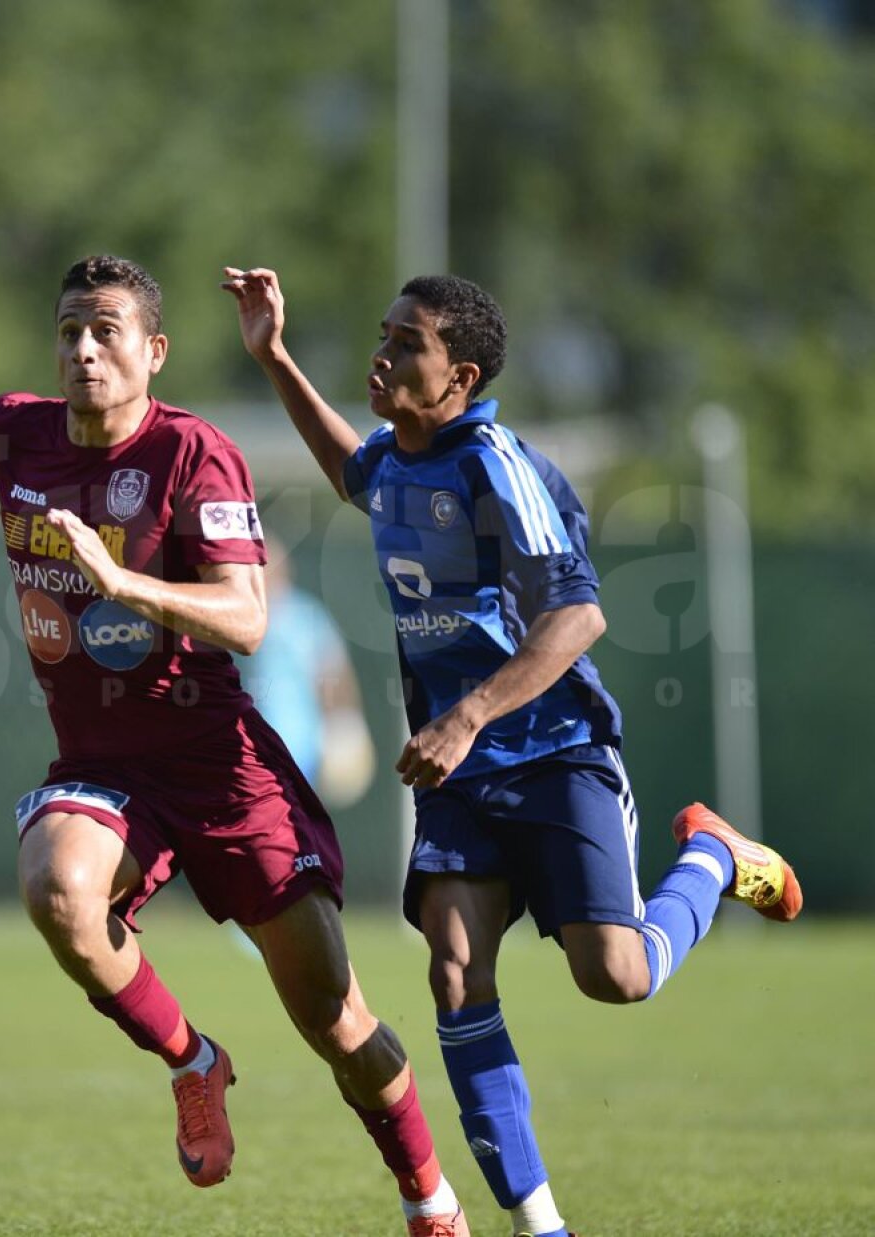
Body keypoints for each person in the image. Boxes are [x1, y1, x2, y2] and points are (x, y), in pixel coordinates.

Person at [0, 255, 471, 1236]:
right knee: (58, 888)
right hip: (106, 770)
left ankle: (428, 1193)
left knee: (338, 1022)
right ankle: (195, 1061)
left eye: (106, 329)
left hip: (221, 770)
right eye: (70, 329)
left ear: (153, 351)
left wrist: (121, 580)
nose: (83, 348)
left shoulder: (194, 454)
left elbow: (246, 618)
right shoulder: (18, 429)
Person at [223, 265, 803, 1237]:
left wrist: (466, 716)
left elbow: (579, 615)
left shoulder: (492, 461)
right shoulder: (397, 458)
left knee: (614, 976)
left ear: (463, 376)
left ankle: (712, 856)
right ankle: (543, 1226)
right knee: (452, 972)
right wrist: (273, 355)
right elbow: (348, 468)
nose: (386, 353)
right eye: (386, 333)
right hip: (458, 772)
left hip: (553, 747)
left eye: (410, 344)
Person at [235, 532, 375, 807]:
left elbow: (334, 675)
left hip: (298, 743)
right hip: (248, 743)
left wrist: (343, 725)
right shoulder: (242, 615)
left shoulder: (304, 614)